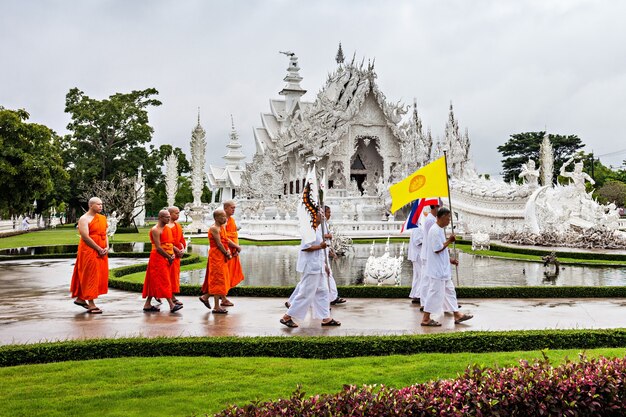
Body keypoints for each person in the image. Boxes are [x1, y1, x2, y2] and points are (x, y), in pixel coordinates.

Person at [280, 208, 340, 328]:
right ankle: (287, 317)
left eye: (323, 213)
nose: (323, 215)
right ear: (314, 215)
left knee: (323, 291)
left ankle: (325, 318)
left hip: (319, 266)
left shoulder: (319, 229)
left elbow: (322, 249)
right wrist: (320, 246)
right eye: (320, 214)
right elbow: (305, 247)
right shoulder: (310, 229)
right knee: (306, 293)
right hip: (311, 266)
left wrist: (325, 265)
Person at [421, 207, 473, 327]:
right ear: (442, 217)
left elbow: (441, 251)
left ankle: (457, 314)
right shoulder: (434, 230)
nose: (449, 220)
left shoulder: (439, 230)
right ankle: (425, 318)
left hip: (443, 269)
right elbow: (437, 249)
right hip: (437, 270)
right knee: (434, 293)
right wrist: (449, 240)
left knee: (450, 292)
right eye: (448, 218)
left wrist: (450, 260)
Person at [285, 206, 346, 308]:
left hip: (320, 260)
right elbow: (307, 246)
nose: (327, 215)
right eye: (324, 213)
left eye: (326, 213)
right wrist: (324, 240)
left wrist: (329, 251)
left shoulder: (322, 225)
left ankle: (329, 303)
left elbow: (324, 242)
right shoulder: (311, 228)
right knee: (306, 286)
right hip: (312, 263)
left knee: (322, 288)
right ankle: (291, 306)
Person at [70, 197, 109, 314]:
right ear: (91, 205)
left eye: (101, 204)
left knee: (98, 275)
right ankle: (91, 304)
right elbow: (85, 237)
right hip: (89, 250)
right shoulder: (84, 219)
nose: (101, 206)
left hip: (101, 250)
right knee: (90, 275)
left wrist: (106, 247)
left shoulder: (102, 218)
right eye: (98, 204)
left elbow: (105, 234)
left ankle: (81, 299)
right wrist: (97, 248)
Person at [142, 210, 182, 313]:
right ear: (160, 218)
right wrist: (168, 256)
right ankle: (172, 305)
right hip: (158, 258)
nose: (169, 219)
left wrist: (174, 252)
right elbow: (158, 248)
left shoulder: (167, 229)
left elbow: (169, 244)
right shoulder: (155, 230)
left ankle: (147, 304)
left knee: (155, 281)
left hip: (167, 257)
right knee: (165, 281)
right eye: (166, 217)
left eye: (169, 217)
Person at [199, 209, 231, 314]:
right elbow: (219, 244)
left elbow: (225, 241)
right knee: (217, 279)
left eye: (225, 216)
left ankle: (205, 297)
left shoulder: (222, 227)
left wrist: (229, 251)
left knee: (221, 279)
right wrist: (226, 253)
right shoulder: (214, 228)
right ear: (216, 218)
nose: (225, 218)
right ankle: (216, 306)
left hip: (221, 255)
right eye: (222, 216)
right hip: (216, 255)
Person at [221, 200, 243, 307]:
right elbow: (224, 238)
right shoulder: (223, 220)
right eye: (231, 208)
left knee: (229, 274)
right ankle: (222, 297)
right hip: (226, 251)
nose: (233, 209)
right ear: (225, 208)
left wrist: (235, 248)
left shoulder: (232, 220)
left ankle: (223, 296)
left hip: (232, 251)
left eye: (234, 208)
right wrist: (236, 247)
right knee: (224, 275)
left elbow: (233, 235)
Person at [417, 204, 439, 310]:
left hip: (429, 253)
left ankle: (443, 304)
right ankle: (424, 302)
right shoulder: (430, 220)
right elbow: (433, 238)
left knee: (431, 279)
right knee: (426, 279)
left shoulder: (432, 219)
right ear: (435, 207)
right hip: (428, 254)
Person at [167, 206, 186, 307]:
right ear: (170, 214)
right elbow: (166, 242)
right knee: (167, 276)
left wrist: (182, 249)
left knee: (174, 276)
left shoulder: (177, 225)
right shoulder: (166, 227)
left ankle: (172, 296)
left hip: (177, 255)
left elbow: (181, 239)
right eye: (176, 213)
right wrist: (176, 249)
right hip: (169, 254)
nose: (178, 215)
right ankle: (169, 297)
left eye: (179, 213)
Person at [407, 219, 423, 304]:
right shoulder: (417, 228)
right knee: (421, 275)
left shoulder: (415, 228)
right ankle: (418, 295)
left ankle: (416, 294)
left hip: (416, 255)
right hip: (418, 255)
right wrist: (427, 241)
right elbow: (418, 241)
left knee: (417, 275)